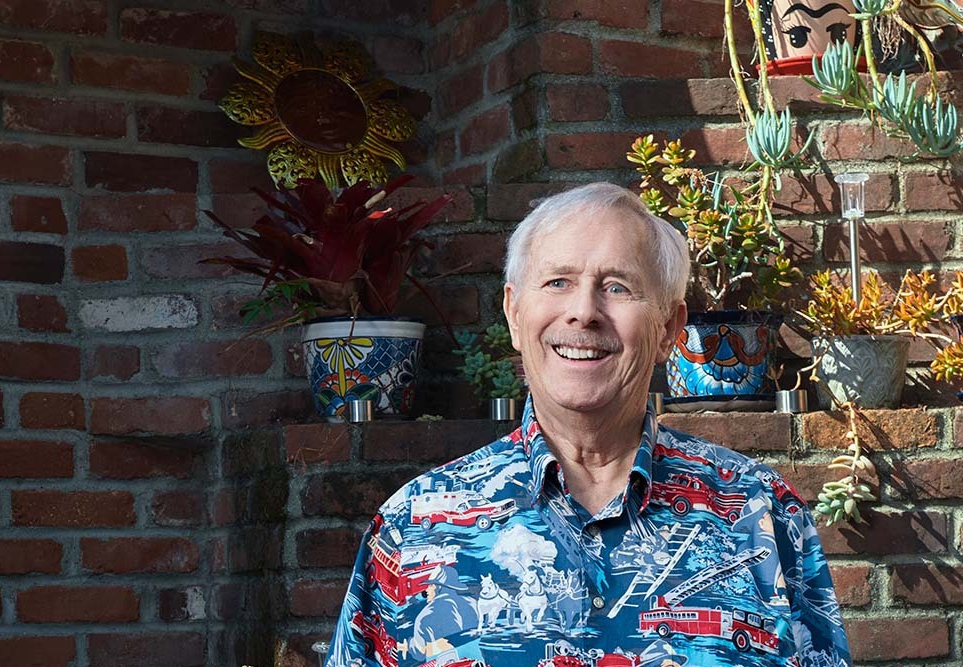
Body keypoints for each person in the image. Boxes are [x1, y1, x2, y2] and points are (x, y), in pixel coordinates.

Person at [324, 183, 851, 667]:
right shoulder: (412, 525)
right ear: (512, 313)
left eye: (617, 287)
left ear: (670, 327)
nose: (584, 312)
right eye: (558, 281)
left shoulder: (762, 513)